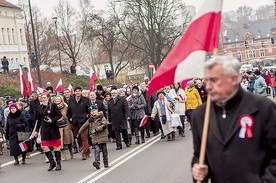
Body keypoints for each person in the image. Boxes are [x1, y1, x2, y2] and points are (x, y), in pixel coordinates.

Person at [191, 56, 276, 183]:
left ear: (233, 79)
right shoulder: (200, 115)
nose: (208, 86)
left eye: (214, 80)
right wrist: (197, 169)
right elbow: (199, 156)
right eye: (206, 80)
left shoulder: (263, 108)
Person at [34, 93, 63, 171]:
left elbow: (59, 115)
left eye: (44, 97)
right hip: (44, 130)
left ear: (48, 98)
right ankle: (52, 162)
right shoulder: (39, 107)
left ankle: (58, 163)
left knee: (56, 146)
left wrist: (52, 120)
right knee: (44, 147)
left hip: (53, 128)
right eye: (41, 98)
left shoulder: (53, 105)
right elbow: (38, 121)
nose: (43, 99)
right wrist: (36, 131)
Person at [78, 105, 109, 170]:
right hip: (95, 137)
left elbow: (104, 125)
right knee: (97, 150)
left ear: (97, 110)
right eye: (92, 111)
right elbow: (84, 126)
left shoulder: (101, 117)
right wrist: (79, 132)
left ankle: (106, 161)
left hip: (102, 135)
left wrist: (97, 129)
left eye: (94, 110)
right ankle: (97, 162)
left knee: (104, 150)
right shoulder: (90, 120)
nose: (93, 112)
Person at [67, 86, 91, 160]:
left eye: (79, 91)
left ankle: (84, 153)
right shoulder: (71, 100)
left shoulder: (86, 100)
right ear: (74, 92)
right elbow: (69, 111)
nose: (78, 92)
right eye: (76, 91)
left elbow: (90, 109)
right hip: (75, 122)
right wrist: (70, 118)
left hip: (84, 122)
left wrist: (88, 117)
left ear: (81, 92)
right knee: (78, 137)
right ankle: (87, 150)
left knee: (84, 137)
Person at [54, 95, 74, 161]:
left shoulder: (66, 106)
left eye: (58, 99)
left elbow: (68, 114)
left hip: (65, 124)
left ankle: (71, 151)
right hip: (57, 125)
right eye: (56, 100)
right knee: (60, 140)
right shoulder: (53, 107)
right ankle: (63, 154)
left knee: (68, 139)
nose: (57, 101)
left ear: (61, 100)